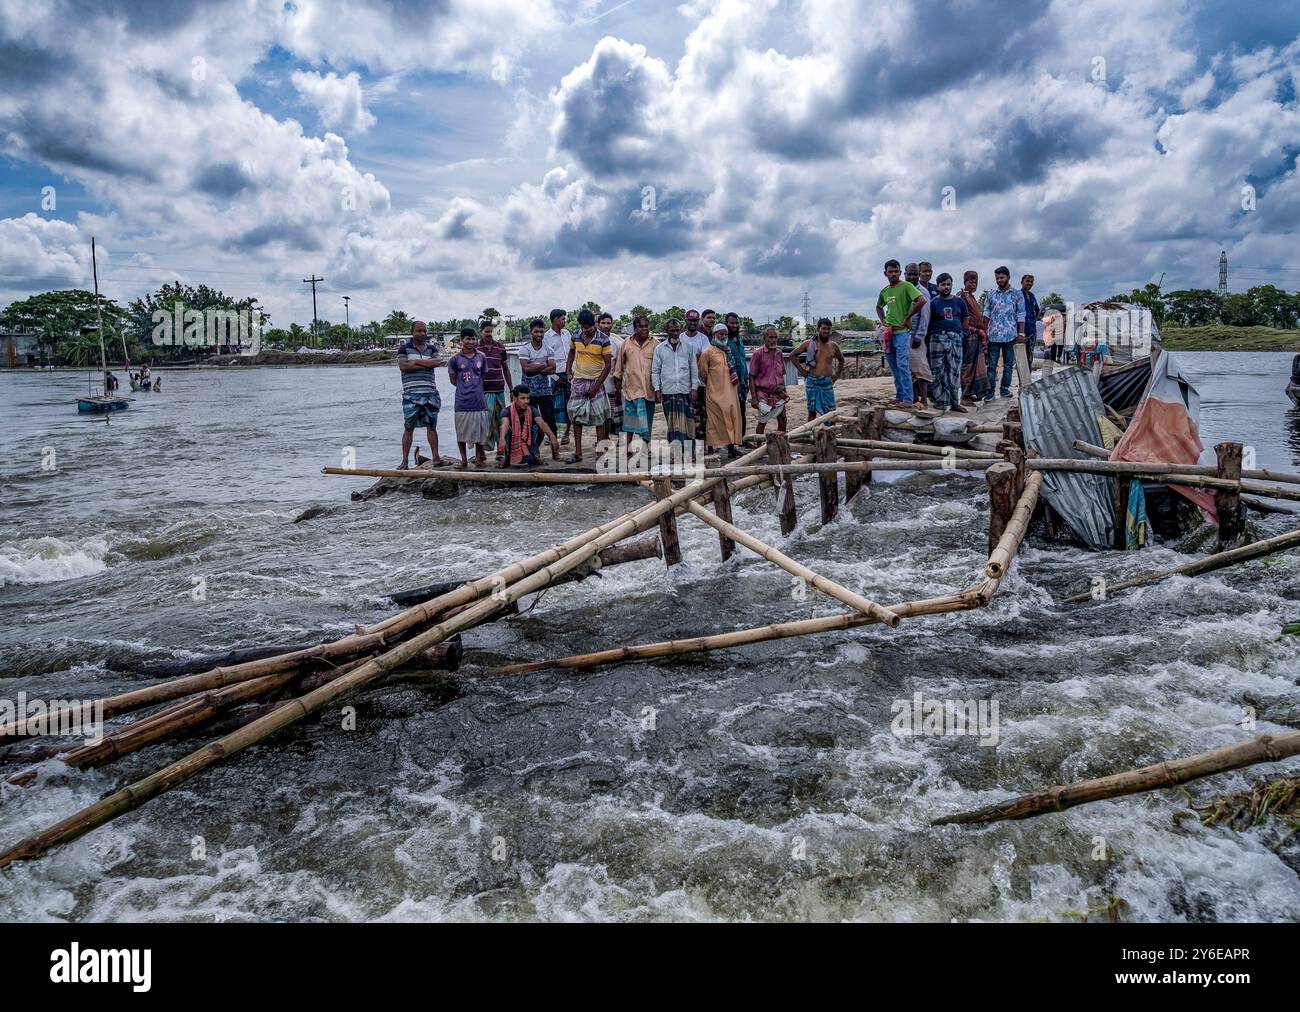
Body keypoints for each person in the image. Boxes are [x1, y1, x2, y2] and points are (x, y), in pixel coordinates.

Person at [396, 320, 447, 468]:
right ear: (412, 332)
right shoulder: (404, 348)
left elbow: (437, 362)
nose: (423, 333)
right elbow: (403, 366)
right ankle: (404, 461)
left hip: (430, 393)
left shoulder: (431, 348)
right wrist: (425, 363)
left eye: (424, 331)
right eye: (419, 331)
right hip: (411, 395)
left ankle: (436, 458)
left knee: (432, 426)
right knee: (408, 428)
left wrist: (415, 363)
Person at [875, 260, 926, 408]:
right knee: (894, 367)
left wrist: (908, 317)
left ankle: (908, 400)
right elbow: (878, 307)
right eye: (890, 272)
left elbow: (921, 300)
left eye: (895, 271)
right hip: (889, 334)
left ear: (900, 272)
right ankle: (899, 396)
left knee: (903, 365)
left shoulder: (907, 286)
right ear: (885, 273)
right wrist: (883, 321)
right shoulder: (885, 291)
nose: (893, 274)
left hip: (903, 333)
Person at [564, 308, 613, 462]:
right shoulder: (576, 337)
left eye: (588, 327)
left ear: (595, 325)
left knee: (599, 418)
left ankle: (600, 454)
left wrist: (596, 386)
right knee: (576, 418)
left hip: (595, 381)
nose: (586, 330)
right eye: (583, 327)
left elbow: (607, 365)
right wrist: (568, 372)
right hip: (578, 381)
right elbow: (571, 353)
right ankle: (578, 453)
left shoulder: (603, 339)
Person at [652, 315, 699, 456]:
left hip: (685, 390)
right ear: (667, 330)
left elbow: (694, 368)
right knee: (673, 424)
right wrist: (657, 389)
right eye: (672, 330)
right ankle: (676, 452)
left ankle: (689, 452)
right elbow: (655, 370)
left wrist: (694, 387)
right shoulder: (659, 349)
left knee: (688, 422)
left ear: (680, 330)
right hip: (668, 391)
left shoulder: (688, 348)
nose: (675, 332)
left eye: (677, 330)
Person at [615, 314, 659, 451]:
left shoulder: (656, 344)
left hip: (649, 390)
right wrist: (617, 389)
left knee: (648, 420)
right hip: (631, 390)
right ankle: (627, 447)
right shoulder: (626, 343)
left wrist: (659, 389)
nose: (644, 329)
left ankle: (646, 446)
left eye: (646, 326)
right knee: (631, 420)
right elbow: (619, 368)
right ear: (635, 328)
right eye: (640, 326)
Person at [699, 322, 744, 457]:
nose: (723, 336)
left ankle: (731, 448)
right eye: (721, 334)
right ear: (714, 335)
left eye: (725, 334)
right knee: (713, 421)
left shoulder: (728, 350)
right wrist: (712, 383)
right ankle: (711, 449)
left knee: (732, 418)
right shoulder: (708, 352)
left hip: (731, 392)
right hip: (714, 392)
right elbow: (702, 373)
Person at [448, 327, 488, 468]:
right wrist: (465, 388)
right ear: (462, 340)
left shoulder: (481, 357)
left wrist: (475, 388)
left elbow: (482, 375)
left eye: (473, 338)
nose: (471, 341)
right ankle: (464, 459)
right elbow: (453, 380)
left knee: (479, 430)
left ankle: (478, 458)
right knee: (461, 431)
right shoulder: (454, 359)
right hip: (462, 401)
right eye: (468, 338)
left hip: (479, 400)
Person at [984, 265, 1026, 401]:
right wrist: (983, 331)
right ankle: (990, 393)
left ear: (1008, 277)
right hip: (993, 335)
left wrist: (1021, 334)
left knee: (1008, 365)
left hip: (1011, 335)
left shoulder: (1017, 294)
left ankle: (1004, 389)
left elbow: (1021, 314)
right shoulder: (991, 295)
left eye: (1002, 277)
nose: (999, 280)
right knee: (991, 366)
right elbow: (986, 313)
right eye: (997, 278)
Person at [927, 274, 968, 413]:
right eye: (943, 284)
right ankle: (939, 401)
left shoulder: (959, 301)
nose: (946, 287)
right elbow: (928, 323)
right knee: (937, 370)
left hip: (955, 338)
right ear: (938, 286)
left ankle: (955, 402)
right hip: (937, 337)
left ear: (952, 285)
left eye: (948, 284)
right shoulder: (933, 303)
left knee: (954, 370)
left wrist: (959, 332)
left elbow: (965, 319)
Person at [792, 318, 845, 423]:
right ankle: (809, 434)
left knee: (831, 411)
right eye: (824, 328)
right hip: (812, 381)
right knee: (812, 411)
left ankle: (829, 434)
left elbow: (841, 360)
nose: (826, 331)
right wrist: (801, 370)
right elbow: (793, 355)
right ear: (818, 329)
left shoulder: (833, 345)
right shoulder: (809, 344)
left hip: (827, 382)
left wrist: (837, 375)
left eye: (828, 329)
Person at [497, 385, 559, 468]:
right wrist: (501, 439)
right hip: (512, 442)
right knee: (503, 430)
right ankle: (507, 457)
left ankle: (534, 453)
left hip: (528, 441)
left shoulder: (532, 410)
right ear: (515, 399)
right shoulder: (507, 411)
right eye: (522, 398)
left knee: (539, 428)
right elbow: (504, 424)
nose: (526, 401)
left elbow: (542, 423)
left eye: (528, 398)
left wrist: (552, 436)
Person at [518, 318, 557, 449]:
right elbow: (526, 369)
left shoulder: (548, 349)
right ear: (531, 332)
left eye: (541, 331)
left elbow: (553, 368)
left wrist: (534, 366)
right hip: (528, 393)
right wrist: (544, 364)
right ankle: (533, 450)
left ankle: (554, 449)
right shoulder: (524, 349)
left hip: (545, 390)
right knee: (530, 422)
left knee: (550, 420)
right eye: (536, 331)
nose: (539, 334)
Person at [478, 319, 512, 451]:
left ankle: (501, 450)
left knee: (501, 421)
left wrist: (511, 388)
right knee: (485, 422)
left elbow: (506, 369)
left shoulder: (500, 348)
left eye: (491, 331)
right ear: (481, 332)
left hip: (499, 390)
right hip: (483, 391)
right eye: (486, 331)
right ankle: (483, 452)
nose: (489, 334)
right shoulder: (476, 348)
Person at [748, 325, 789, 434]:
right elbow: (751, 376)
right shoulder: (758, 354)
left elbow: (781, 375)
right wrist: (754, 398)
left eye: (775, 337)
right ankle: (759, 446)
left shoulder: (779, 353)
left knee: (783, 419)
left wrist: (785, 392)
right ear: (764, 338)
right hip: (763, 394)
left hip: (779, 393)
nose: (773, 340)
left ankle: (780, 444)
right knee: (763, 421)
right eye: (770, 337)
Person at [905, 263, 933, 406]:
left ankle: (923, 399)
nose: (911, 277)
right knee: (909, 370)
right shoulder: (902, 290)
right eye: (909, 274)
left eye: (914, 274)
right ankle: (914, 399)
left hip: (916, 336)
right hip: (903, 335)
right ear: (904, 274)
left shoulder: (922, 292)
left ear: (918, 275)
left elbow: (925, 316)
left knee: (921, 368)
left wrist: (919, 336)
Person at [959, 270, 989, 403]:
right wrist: (976, 330)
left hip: (976, 336)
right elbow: (961, 318)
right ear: (965, 282)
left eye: (975, 281)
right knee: (968, 366)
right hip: (969, 336)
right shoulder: (962, 297)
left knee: (977, 366)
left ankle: (971, 393)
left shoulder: (971, 297)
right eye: (971, 281)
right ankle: (964, 396)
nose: (973, 284)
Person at [682, 310, 710, 441]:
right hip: (683, 384)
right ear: (685, 320)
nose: (692, 323)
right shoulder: (680, 337)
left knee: (703, 415)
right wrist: (695, 356)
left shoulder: (703, 339)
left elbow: (705, 357)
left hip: (700, 383)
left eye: (695, 320)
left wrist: (689, 357)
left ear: (698, 321)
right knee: (686, 415)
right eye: (690, 320)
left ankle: (703, 445)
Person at [545, 309, 571, 444]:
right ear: (555, 320)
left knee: (569, 406)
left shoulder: (567, 334)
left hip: (568, 373)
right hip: (555, 376)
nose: (564, 321)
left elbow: (572, 354)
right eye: (562, 319)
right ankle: (551, 435)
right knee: (554, 407)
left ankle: (566, 434)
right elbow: (545, 362)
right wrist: (556, 378)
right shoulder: (547, 337)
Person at [724, 312, 749, 434]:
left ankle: (742, 438)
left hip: (742, 382)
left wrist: (746, 379)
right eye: (732, 323)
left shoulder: (739, 339)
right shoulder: (724, 340)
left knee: (742, 411)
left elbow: (743, 361)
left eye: (736, 323)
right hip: (730, 383)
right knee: (732, 413)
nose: (734, 325)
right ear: (726, 324)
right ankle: (732, 441)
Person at [599, 312, 624, 436]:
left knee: (611, 415)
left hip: (611, 386)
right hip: (596, 387)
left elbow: (620, 367)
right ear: (598, 324)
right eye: (603, 323)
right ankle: (602, 439)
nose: (605, 325)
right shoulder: (592, 342)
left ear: (612, 325)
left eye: (608, 323)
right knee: (599, 417)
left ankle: (607, 438)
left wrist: (617, 387)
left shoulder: (617, 344)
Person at [1021, 274, 1041, 358]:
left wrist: (1033, 320)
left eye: (1031, 282)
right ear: (1022, 282)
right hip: (1021, 331)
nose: (1029, 283)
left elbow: (1037, 310)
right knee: (1021, 357)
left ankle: (1029, 371)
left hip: (1032, 331)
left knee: (1030, 356)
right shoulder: (1018, 295)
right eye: (1027, 281)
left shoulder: (1032, 296)